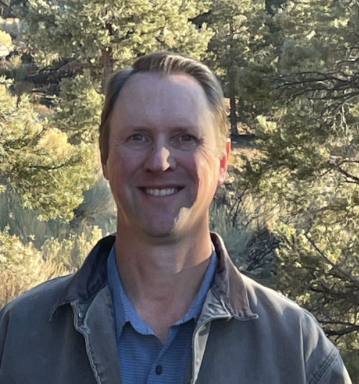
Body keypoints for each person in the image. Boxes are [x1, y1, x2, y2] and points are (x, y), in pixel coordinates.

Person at [0, 52, 352, 384]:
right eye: (138, 137)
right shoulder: (17, 336)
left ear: (222, 161)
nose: (160, 161)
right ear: (105, 156)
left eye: (185, 138)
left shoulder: (297, 351)